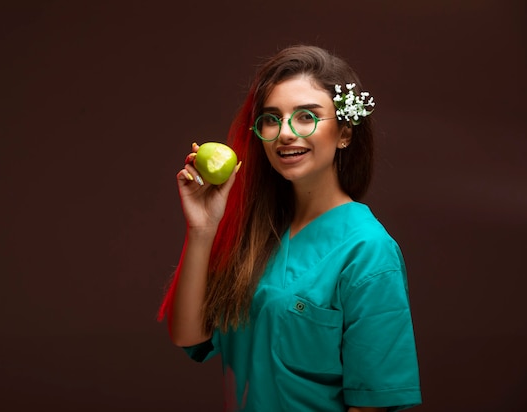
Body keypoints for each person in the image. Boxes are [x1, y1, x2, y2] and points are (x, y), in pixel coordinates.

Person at [157, 44, 422, 412]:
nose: (285, 133)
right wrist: (202, 229)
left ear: (344, 132)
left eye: (306, 116)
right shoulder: (259, 232)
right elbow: (189, 335)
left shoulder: (368, 251)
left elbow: (373, 405)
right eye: (271, 118)